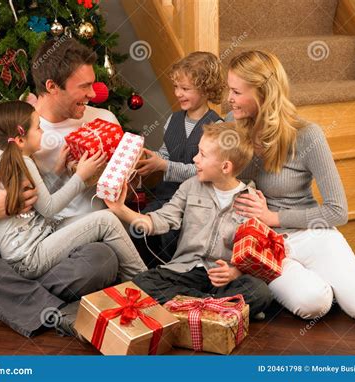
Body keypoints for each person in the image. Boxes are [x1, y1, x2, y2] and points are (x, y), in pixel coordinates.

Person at [0, 38, 133, 338]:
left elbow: (123, 186)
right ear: (51, 86)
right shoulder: (13, 136)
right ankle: (42, 307)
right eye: (83, 87)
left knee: (103, 260)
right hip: (24, 246)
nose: (93, 94)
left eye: (92, 84)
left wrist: (130, 171)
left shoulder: (105, 121)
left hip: (76, 249)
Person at [226, 50, 355, 321]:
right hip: (266, 242)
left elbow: (337, 211)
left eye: (236, 92)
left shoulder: (307, 135)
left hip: (311, 233)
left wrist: (273, 216)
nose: (229, 99)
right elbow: (215, 173)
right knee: (314, 305)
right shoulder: (231, 125)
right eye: (229, 90)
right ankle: (341, 274)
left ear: (262, 93)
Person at [106, 123, 272, 318]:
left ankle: (192, 307)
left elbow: (257, 254)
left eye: (202, 154)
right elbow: (161, 220)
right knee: (141, 283)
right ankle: (215, 309)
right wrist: (120, 209)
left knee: (260, 292)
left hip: (222, 281)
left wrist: (236, 272)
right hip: (184, 272)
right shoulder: (190, 186)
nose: (195, 159)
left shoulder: (251, 200)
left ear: (225, 167)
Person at [0, 100, 146, 280]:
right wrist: (81, 178)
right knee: (106, 220)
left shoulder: (13, 158)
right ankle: (144, 280)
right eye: (38, 128)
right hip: (27, 257)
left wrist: (57, 172)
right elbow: (49, 208)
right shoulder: (23, 162)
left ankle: (136, 280)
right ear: (21, 139)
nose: (43, 131)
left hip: (42, 234)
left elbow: (39, 199)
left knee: (107, 219)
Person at [135, 52, 224, 266]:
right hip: (164, 197)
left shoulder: (216, 127)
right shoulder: (173, 120)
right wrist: (151, 158)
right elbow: (166, 152)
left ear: (205, 89)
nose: (178, 93)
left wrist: (164, 165)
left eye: (185, 89)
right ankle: (147, 274)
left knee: (170, 238)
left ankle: (173, 275)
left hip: (195, 203)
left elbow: (202, 172)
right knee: (140, 228)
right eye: (176, 87)